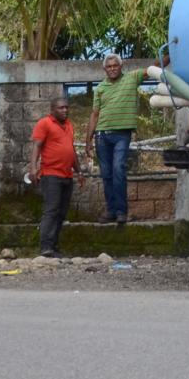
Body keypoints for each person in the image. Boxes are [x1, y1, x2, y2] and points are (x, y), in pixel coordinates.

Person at [85, 54, 147, 225]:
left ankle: (121, 211)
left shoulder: (132, 78)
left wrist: (172, 52)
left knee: (118, 169)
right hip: (101, 136)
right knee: (106, 174)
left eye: (115, 65)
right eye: (109, 66)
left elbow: (153, 69)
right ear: (105, 69)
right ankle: (111, 211)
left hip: (122, 135)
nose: (112, 68)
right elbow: (95, 114)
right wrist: (88, 140)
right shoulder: (100, 88)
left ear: (121, 66)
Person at [28, 95, 80, 258]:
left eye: (66, 107)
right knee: (51, 210)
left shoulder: (69, 125)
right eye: (61, 108)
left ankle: (54, 246)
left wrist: (79, 171)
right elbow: (37, 146)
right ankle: (46, 247)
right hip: (51, 175)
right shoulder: (44, 123)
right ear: (52, 110)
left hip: (67, 175)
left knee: (62, 212)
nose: (65, 110)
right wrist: (33, 167)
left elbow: (71, 150)